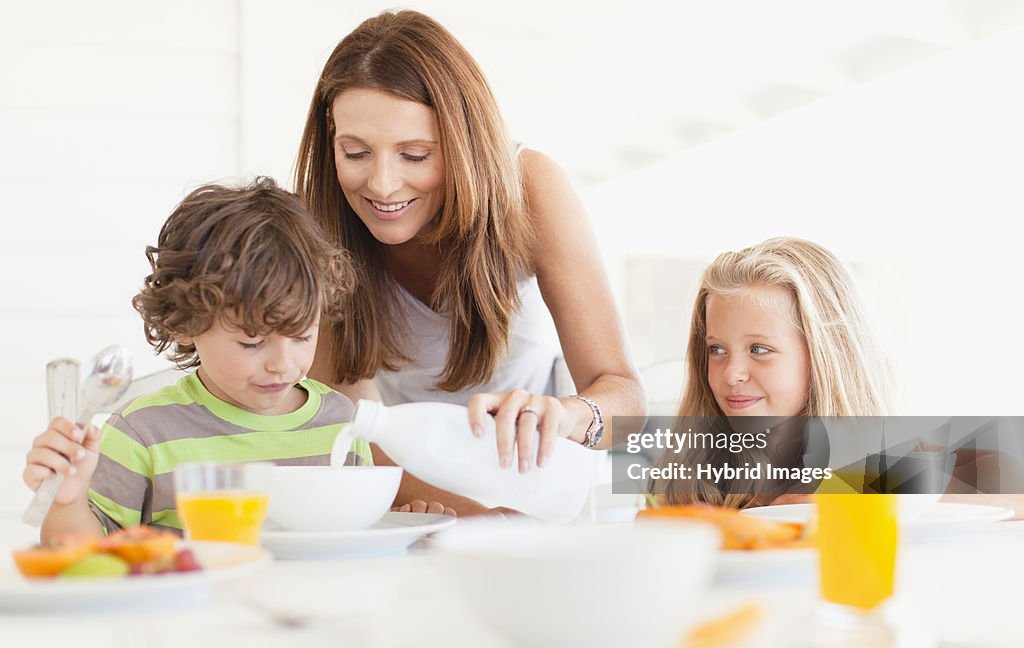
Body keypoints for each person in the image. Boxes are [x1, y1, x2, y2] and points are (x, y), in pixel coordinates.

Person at [294, 10, 645, 514]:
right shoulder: (318, 226)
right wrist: (479, 520)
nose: (383, 184)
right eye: (356, 153)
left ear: (462, 142)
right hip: (410, 497)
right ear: (331, 134)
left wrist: (570, 417)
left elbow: (625, 403)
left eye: (415, 155)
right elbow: (356, 430)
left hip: (536, 493)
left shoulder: (530, 191)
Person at [22, 178, 388, 544]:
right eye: (252, 342)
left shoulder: (342, 424)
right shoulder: (144, 433)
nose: (282, 363)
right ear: (183, 323)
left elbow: (365, 541)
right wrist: (68, 502)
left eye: (303, 335)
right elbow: (86, 557)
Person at [650, 237, 891, 508]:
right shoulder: (684, 482)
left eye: (759, 349)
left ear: (826, 355)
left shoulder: (890, 470)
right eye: (716, 349)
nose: (732, 375)